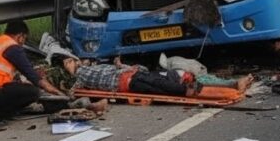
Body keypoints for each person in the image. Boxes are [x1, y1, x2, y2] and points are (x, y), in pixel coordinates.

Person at [0, 21, 63, 128]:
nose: (23, 43)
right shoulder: (12, 47)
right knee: (33, 92)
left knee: (16, 88)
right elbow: (32, 75)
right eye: (24, 39)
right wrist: (54, 90)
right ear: (20, 36)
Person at [48, 54, 253, 96]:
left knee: (177, 79)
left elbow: (116, 69)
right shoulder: (81, 76)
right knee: (176, 88)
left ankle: (230, 84)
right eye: (69, 62)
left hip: (135, 75)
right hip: (131, 82)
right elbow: (72, 93)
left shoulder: (92, 67)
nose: (73, 62)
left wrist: (120, 65)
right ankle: (233, 86)